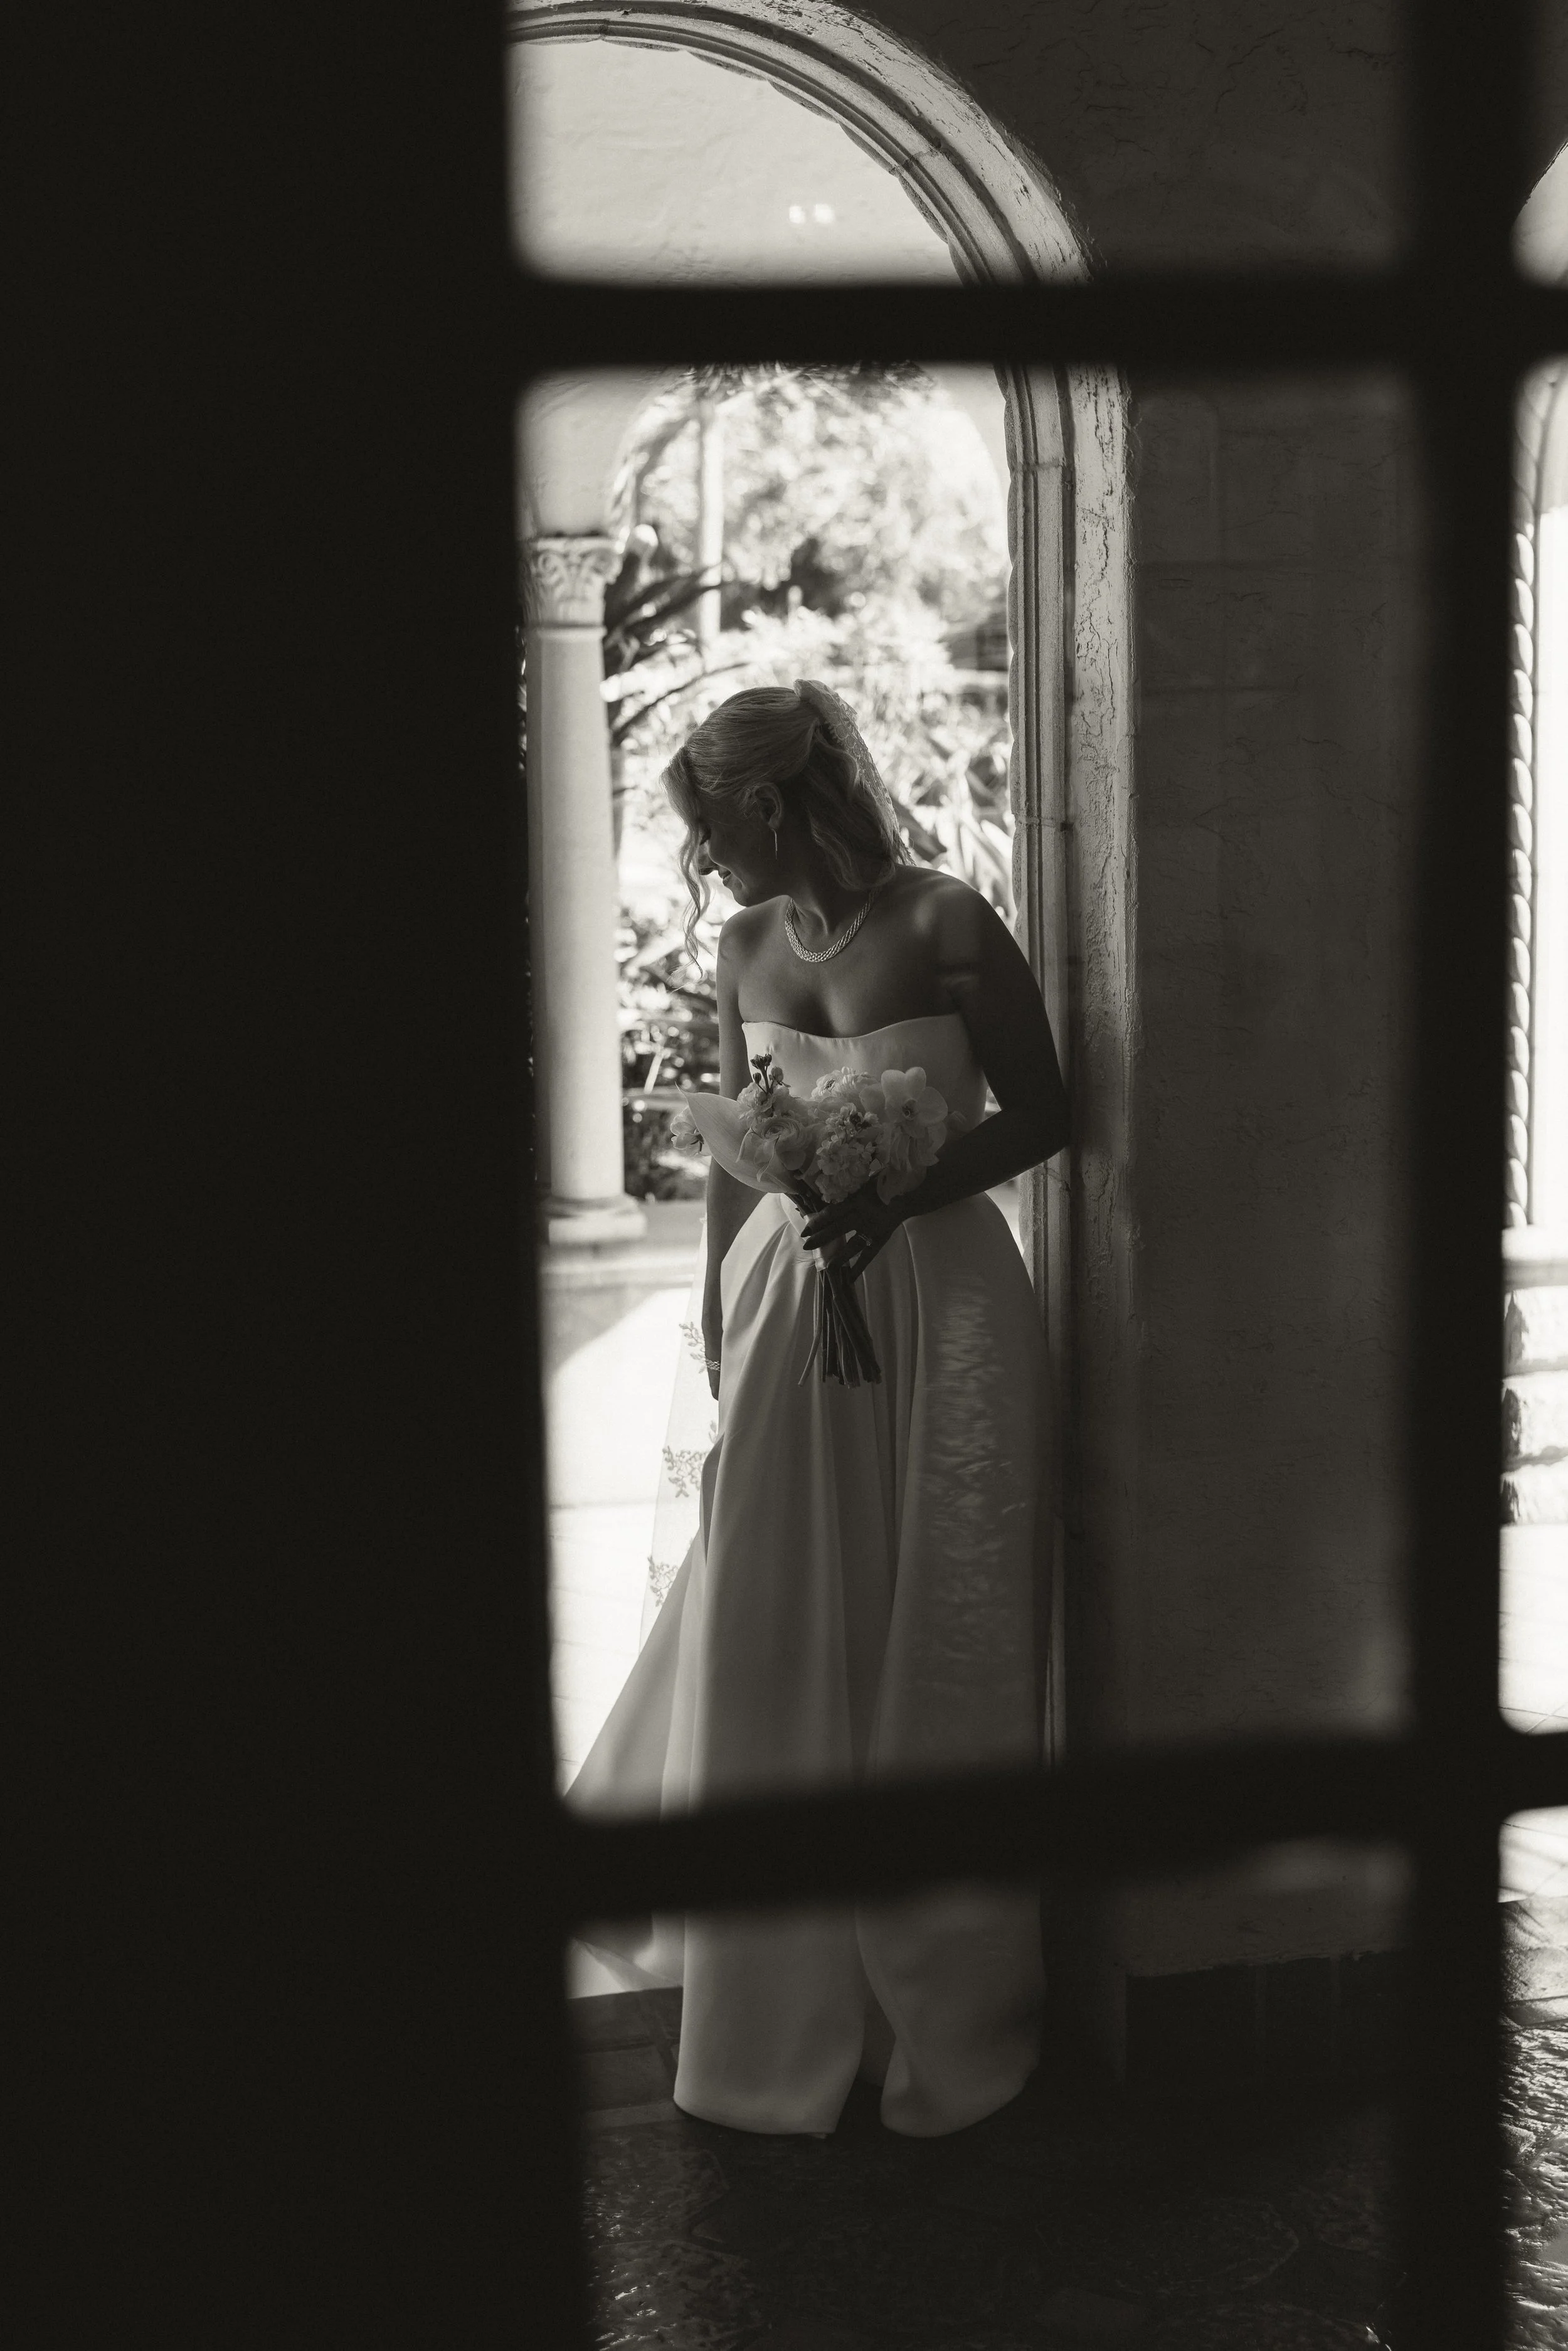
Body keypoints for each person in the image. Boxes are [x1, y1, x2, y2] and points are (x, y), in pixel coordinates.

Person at [568, 681, 1069, 2138]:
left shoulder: (948, 921)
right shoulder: (738, 947)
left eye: (707, 823)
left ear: (772, 801)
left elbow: (1047, 1110)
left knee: (933, 1612)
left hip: (948, 1311)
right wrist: (723, 1325)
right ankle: (784, 1996)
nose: (700, 855)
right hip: (794, 1308)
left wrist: (903, 1181)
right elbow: (739, 1149)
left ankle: (932, 1982)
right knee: (781, 1606)